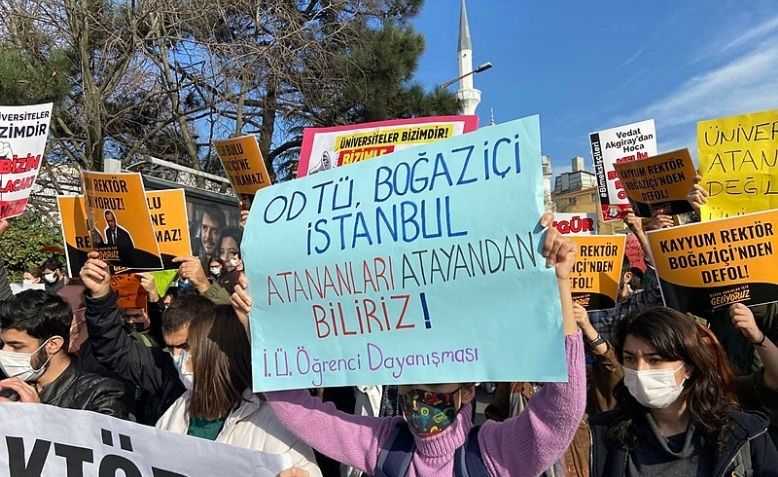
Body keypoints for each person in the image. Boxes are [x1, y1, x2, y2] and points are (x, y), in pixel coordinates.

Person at [232, 213, 587, 477]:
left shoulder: (497, 452)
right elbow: (299, 411)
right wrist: (259, 331)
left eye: (433, 385)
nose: (419, 397)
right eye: (410, 383)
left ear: (467, 389)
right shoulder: (385, 443)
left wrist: (558, 283)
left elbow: (560, 412)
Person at [589, 307, 778, 476]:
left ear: (688, 367)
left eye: (654, 360)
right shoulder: (602, 437)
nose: (640, 370)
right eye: (629, 359)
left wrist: (758, 337)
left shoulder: (744, 433)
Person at [156, 306, 321, 475]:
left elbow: (306, 470)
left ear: (219, 357)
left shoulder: (275, 424)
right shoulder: (180, 408)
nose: (180, 358)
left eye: (189, 348)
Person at [0, 290, 127, 417]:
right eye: (2, 344)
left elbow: (99, 436)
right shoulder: (8, 389)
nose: (5, 352)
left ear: (53, 345)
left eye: (16, 346)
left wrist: (37, 416)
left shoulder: (100, 395)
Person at [217, 228, 243, 295]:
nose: (225, 258)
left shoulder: (245, 281)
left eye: (232, 252)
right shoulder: (219, 278)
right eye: (222, 252)